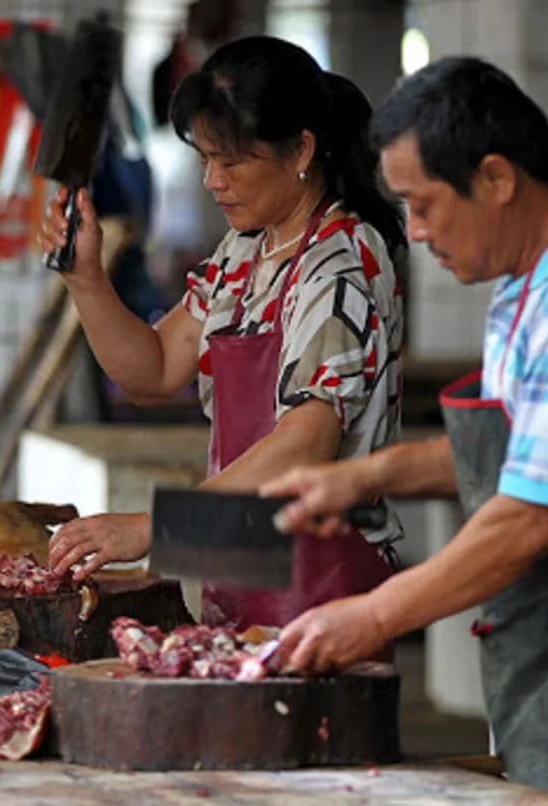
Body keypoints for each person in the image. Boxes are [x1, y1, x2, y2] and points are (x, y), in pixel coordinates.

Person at [260, 57, 548, 796]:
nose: (419, 232)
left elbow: (531, 516)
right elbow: (522, 455)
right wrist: (362, 476)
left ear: (496, 179)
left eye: (425, 204)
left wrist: (375, 615)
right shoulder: (523, 287)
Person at [37, 35, 408, 639]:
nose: (212, 181)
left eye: (230, 162)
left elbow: (305, 444)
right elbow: (154, 370)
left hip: (325, 579)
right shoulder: (244, 253)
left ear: (300, 150)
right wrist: (88, 281)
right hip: (242, 558)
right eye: (205, 159)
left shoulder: (340, 262)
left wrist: (155, 526)